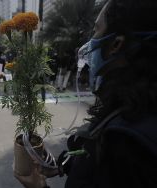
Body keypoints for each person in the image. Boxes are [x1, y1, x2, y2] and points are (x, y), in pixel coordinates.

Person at [15, 0, 157, 187]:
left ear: (116, 44)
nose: (90, 41)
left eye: (96, 30)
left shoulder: (126, 141)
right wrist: (63, 165)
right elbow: (92, 159)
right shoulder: (131, 104)